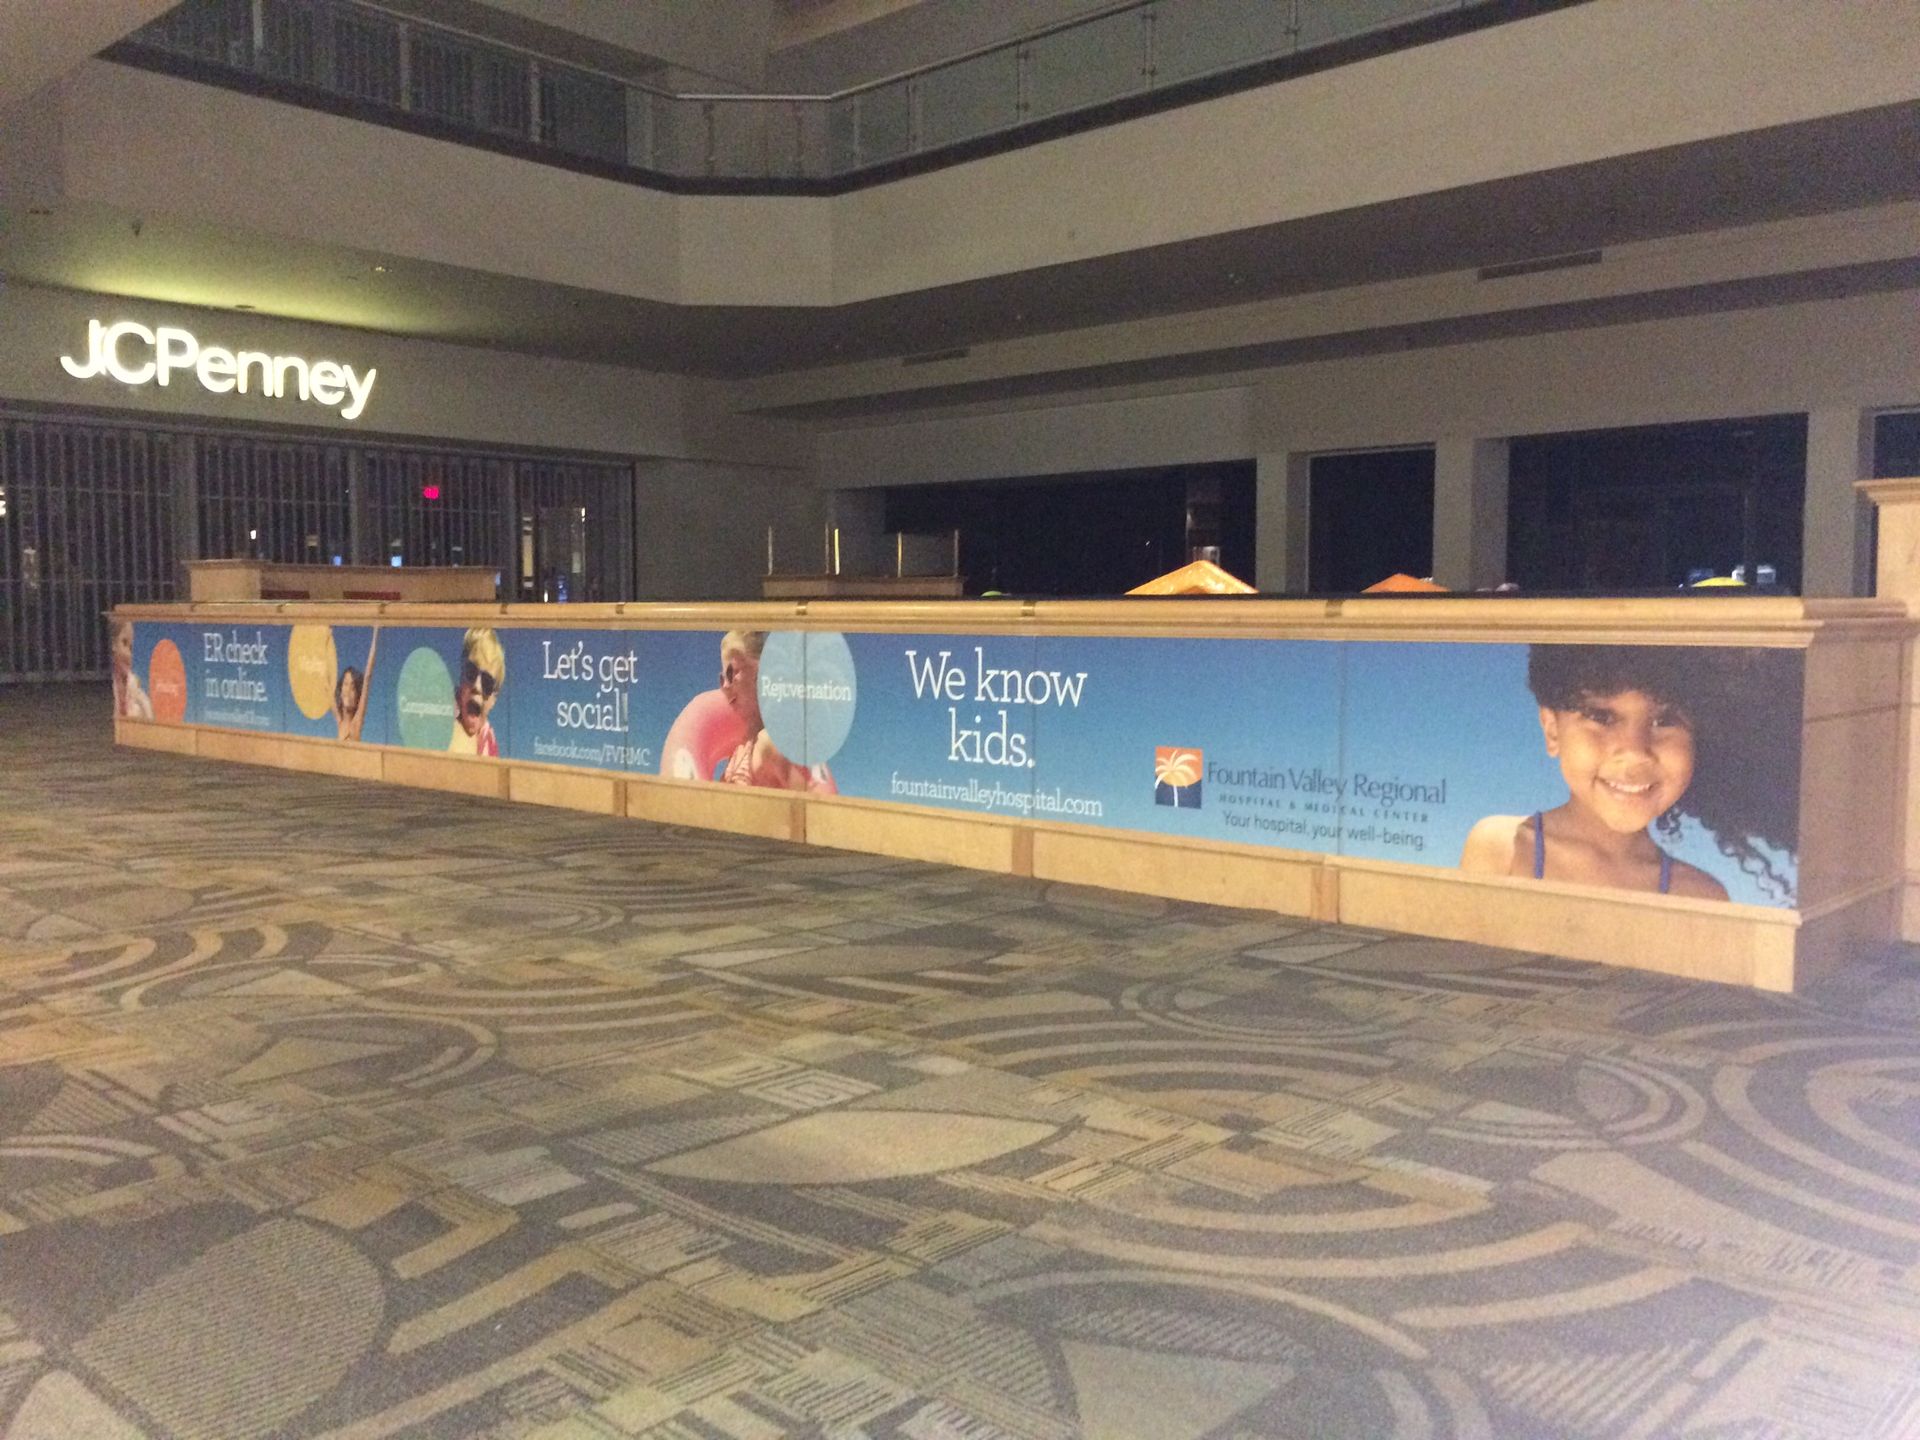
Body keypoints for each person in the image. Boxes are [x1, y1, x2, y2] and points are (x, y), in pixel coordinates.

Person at [1460, 644, 1799, 902]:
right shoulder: (1502, 846)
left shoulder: (1700, 896)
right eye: (1602, 718)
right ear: (1552, 731)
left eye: (1664, 721)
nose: (1635, 751)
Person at [716, 629, 813, 790]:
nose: (725, 686)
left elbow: (810, 809)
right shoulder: (739, 752)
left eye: (732, 673)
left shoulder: (770, 744)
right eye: (722, 678)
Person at [448, 626, 503, 757]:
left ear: (493, 700)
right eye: (471, 672)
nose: (477, 686)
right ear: (461, 675)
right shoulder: (445, 724)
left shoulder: (488, 741)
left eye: (487, 682)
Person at [334, 630, 378, 742]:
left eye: (353, 687)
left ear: (358, 695)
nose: (348, 690)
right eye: (345, 684)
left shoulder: (357, 721)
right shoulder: (340, 722)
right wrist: (326, 640)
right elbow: (326, 682)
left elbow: (367, 675)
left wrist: (376, 632)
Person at [109, 619, 152, 720]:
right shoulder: (116, 678)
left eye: (132, 648)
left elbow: (147, 709)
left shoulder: (134, 682)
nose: (128, 654)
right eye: (124, 643)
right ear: (114, 644)